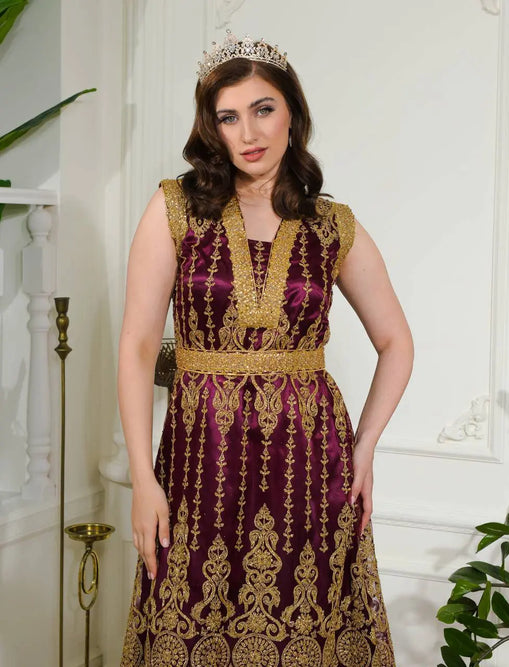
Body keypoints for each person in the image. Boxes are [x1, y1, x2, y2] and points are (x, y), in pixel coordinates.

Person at [118, 31, 413, 667]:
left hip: (311, 465)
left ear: (293, 114)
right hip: (200, 458)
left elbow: (396, 341)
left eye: (263, 109)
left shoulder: (333, 225)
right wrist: (143, 478)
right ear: (211, 127)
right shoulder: (175, 208)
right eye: (228, 116)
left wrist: (364, 447)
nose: (248, 132)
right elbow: (138, 346)